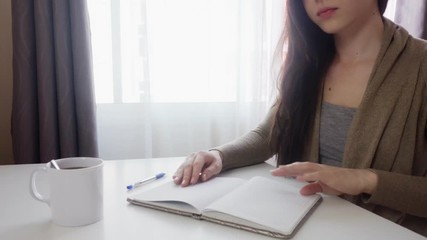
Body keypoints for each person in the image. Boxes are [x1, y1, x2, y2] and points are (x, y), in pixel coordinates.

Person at [173, 0, 427, 236]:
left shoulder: (421, 66)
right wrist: (218, 156)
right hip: (300, 226)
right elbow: (268, 135)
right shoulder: (308, 62)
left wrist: (363, 179)